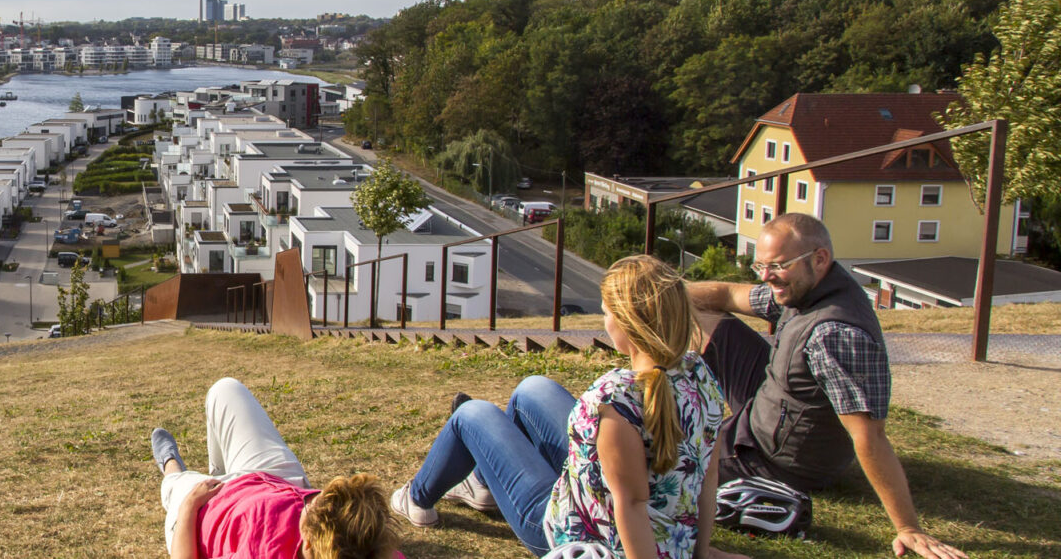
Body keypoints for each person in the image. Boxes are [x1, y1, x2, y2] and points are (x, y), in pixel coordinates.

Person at [389, 255, 744, 559]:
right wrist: (698, 550)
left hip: (580, 534)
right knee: (532, 388)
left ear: (626, 322)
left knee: (471, 414)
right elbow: (707, 475)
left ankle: (417, 498)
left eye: (606, 313)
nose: (604, 322)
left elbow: (631, 506)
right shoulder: (699, 374)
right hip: (670, 538)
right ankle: (483, 485)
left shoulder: (614, 400)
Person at [686, 214, 965, 559]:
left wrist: (908, 527)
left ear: (819, 259)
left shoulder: (834, 333)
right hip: (777, 402)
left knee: (668, 465)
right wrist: (657, 293)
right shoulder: (805, 285)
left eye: (778, 265)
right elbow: (729, 294)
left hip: (777, 456)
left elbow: (869, 435)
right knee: (698, 314)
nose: (766, 276)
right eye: (761, 265)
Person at [151, 377, 403, 559]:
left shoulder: (259, 552)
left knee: (176, 485)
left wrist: (189, 507)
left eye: (310, 508)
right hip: (276, 483)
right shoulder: (375, 548)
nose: (312, 499)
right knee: (225, 390)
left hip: (207, 512)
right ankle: (216, 473)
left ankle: (170, 464)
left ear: (308, 546)